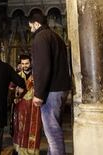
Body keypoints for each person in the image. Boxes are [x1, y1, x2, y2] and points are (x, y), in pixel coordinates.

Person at [28, 13, 71, 155]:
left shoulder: (40, 38)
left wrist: (39, 93)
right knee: (54, 127)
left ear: (36, 23)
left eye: (31, 25)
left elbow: (42, 67)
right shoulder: (56, 37)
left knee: (52, 132)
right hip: (61, 88)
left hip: (50, 90)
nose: (30, 28)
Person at [11, 54, 42, 155]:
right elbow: (11, 89)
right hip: (21, 106)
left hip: (34, 106)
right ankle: (20, 151)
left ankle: (32, 152)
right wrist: (16, 91)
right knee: (21, 129)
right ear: (20, 64)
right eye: (23, 63)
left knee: (34, 129)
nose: (25, 65)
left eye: (27, 63)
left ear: (31, 63)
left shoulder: (37, 75)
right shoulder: (17, 75)